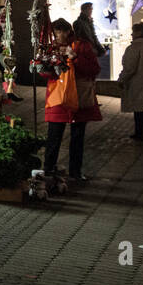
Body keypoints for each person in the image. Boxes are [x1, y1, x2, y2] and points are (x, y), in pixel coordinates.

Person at [39, 18, 102, 182]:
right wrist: (44, 67)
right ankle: (48, 169)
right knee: (54, 135)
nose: (59, 35)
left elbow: (94, 69)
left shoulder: (81, 46)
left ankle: (75, 171)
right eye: (56, 32)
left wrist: (74, 58)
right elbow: (46, 74)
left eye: (62, 31)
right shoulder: (50, 48)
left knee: (77, 136)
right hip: (57, 97)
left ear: (69, 31)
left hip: (79, 97)